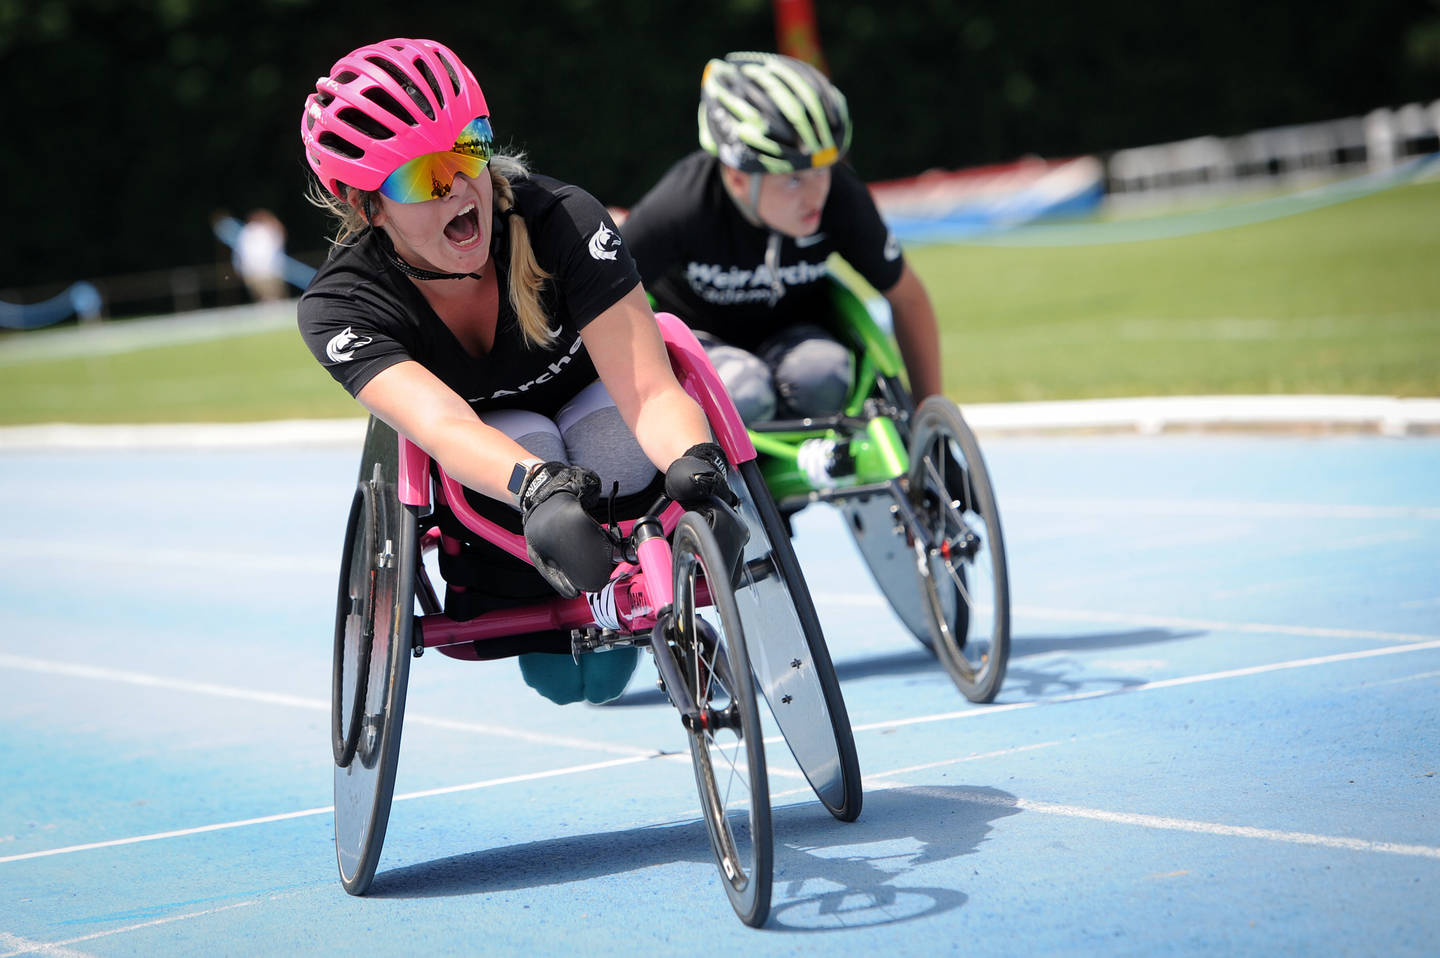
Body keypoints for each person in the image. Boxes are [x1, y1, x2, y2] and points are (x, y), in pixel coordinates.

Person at [297, 38, 732, 705]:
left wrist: (703, 472)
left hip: (607, 425)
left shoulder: (562, 220)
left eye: (469, 148)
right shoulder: (341, 307)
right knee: (565, 682)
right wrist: (537, 489)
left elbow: (648, 386)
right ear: (368, 206)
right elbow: (439, 424)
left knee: (606, 440)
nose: (457, 187)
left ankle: (648, 607)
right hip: (501, 477)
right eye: (420, 178)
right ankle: (596, 609)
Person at [621, 52, 942, 424]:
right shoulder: (681, 206)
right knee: (744, 391)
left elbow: (908, 297)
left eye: (824, 170)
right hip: (702, 344)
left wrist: (927, 412)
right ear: (737, 177)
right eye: (793, 179)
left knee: (824, 376)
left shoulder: (841, 198)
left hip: (795, 339)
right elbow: (598, 304)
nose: (815, 194)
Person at [234, 208, 289, 301]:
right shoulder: (265, 230)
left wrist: (239, 268)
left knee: (266, 299)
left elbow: (239, 253)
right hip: (267, 270)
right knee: (275, 298)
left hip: (255, 271)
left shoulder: (246, 232)